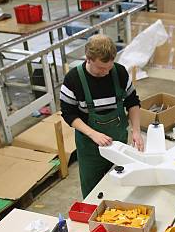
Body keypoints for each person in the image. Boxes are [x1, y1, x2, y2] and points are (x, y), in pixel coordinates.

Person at [60, 35, 143, 198]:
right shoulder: (73, 80)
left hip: (118, 142)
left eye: (108, 68)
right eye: (100, 68)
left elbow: (132, 101)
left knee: (120, 187)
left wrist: (136, 130)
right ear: (88, 59)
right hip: (90, 148)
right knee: (93, 193)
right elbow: (69, 114)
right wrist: (93, 133)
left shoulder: (119, 72)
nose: (105, 72)